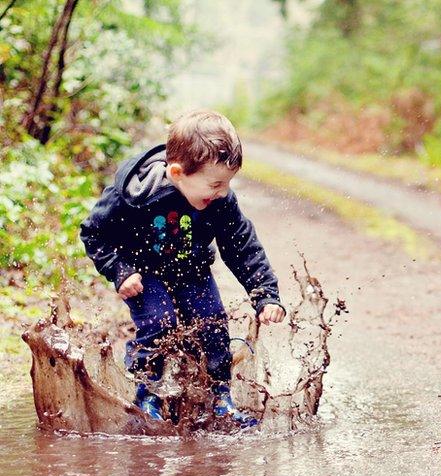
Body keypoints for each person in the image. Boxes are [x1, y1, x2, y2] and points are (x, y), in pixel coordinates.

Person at [80, 110, 286, 424]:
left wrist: (266, 295)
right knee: (158, 324)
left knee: (211, 324)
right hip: (143, 274)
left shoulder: (220, 201)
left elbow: (241, 246)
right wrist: (120, 270)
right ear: (177, 173)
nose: (223, 192)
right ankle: (146, 396)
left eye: (228, 183)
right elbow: (94, 233)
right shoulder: (136, 195)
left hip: (192, 271)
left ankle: (219, 395)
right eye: (216, 184)